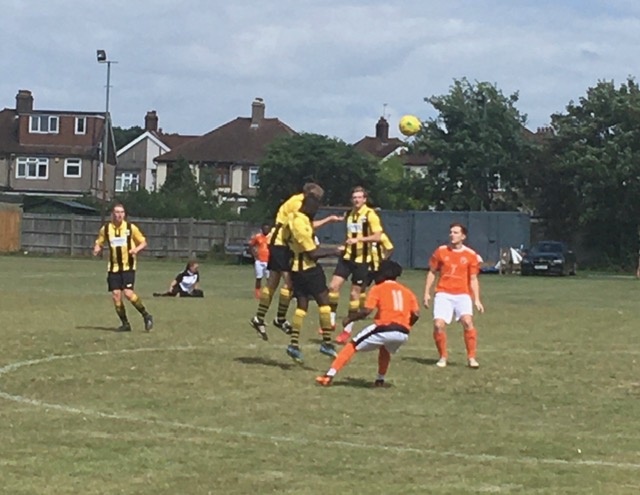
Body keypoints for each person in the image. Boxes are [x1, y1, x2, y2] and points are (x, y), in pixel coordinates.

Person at [249, 183, 343, 340]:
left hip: (278, 241)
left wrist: (327, 221)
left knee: (273, 281)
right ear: (309, 195)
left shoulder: (297, 201)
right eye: (316, 198)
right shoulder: (298, 204)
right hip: (281, 243)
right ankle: (278, 319)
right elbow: (299, 227)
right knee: (289, 282)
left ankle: (260, 318)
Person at [316, 259, 419, 386]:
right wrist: (406, 325)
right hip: (403, 332)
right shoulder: (407, 291)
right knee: (385, 348)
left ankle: (328, 376)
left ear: (383, 274)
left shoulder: (378, 288)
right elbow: (416, 314)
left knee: (352, 345)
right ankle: (380, 380)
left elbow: (366, 311)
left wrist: (350, 318)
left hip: (384, 327)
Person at [284, 194, 344, 363]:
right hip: (308, 269)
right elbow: (312, 253)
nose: (315, 213)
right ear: (309, 207)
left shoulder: (295, 218)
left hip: (295, 269)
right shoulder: (300, 224)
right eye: (315, 209)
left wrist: (328, 220)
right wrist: (335, 251)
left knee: (302, 305)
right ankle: (327, 343)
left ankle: (293, 344)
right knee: (324, 302)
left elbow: (309, 227)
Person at [422, 222, 484, 369]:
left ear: (463, 236)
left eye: (456, 232)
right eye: (451, 232)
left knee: (467, 322)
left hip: (462, 294)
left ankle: (471, 358)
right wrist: (426, 293)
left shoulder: (470, 255)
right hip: (443, 293)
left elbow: (473, 279)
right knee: (438, 324)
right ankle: (443, 357)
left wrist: (477, 299)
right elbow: (432, 272)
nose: (452, 235)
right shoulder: (441, 251)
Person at [328, 186, 383, 342]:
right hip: (347, 257)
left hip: (362, 260)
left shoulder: (370, 215)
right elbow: (349, 235)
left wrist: (359, 240)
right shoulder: (350, 214)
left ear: (364, 199)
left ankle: (347, 329)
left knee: (354, 294)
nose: (356, 200)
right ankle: (331, 320)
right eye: (354, 197)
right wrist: (344, 245)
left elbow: (378, 236)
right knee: (333, 286)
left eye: (359, 197)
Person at [93, 203, 153, 332]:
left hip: (128, 266)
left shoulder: (131, 228)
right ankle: (125, 324)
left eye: (121, 212)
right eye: (116, 212)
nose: (119, 215)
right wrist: (97, 248)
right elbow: (100, 241)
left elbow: (143, 242)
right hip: (113, 267)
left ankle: (146, 315)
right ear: (112, 214)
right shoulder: (106, 229)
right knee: (116, 295)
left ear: (124, 214)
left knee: (128, 293)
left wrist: (136, 250)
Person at [335, 229, 394, 343]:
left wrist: (383, 259)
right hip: (365, 268)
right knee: (358, 292)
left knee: (384, 293)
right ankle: (349, 327)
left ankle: (386, 314)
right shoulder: (360, 237)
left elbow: (390, 248)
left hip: (378, 269)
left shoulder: (380, 236)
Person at [248, 223, 271, 299]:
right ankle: (257, 293)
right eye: (264, 228)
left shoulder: (271, 237)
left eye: (267, 229)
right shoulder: (258, 237)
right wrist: (254, 254)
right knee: (259, 277)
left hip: (269, 261)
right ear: (262, 229)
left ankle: (268, 292)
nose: (266, 230)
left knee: (269, 278)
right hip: (259, 260)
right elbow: (251, 245)